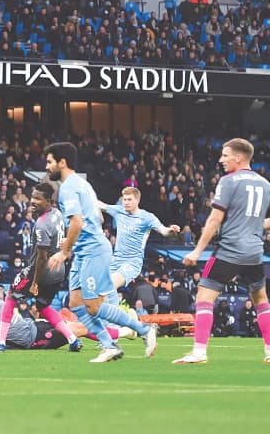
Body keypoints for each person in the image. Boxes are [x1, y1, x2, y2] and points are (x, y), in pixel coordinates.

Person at [45, 142, 157, 363]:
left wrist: (63, 251)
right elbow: (97, 217)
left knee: (94, 306)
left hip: (93, 251)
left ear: (62, 162)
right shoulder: (83, 184)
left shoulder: (68, 188)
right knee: (76, 304)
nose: (47, 166)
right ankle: (109, 346)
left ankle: (143, 329)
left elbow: (77, 221)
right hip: (84, 250)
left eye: (49, 161)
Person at [175, 138, 270, 364]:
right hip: (255, 253)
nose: (221, 160)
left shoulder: (229, 181)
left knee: (204, 296)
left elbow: (215, 219)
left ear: (239, 157)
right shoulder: (265, 184)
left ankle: (199, 352)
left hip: (229, 250)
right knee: (261, 300)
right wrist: (253, 226)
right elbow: (260, 221)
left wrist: (197, 251)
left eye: (225, 155)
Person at [0, 183, 83, 353]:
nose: (32, 201)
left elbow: (41, 258)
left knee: (11, 297)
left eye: (37, 199)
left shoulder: (42, 225)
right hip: (59, 271)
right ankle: (72, 339)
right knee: (43, 306)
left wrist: (35, 282)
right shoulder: (57, 213)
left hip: (40, 271)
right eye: (32, 197)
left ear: (49, 201)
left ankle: (0, 342)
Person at [0, 278, 119, 350]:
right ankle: (123, 333)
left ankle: (113, 337)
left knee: (77, 326)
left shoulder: (1, 303)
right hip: (34, 339)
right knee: (81, 328)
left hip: (36, 325)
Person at [98, 187, 180, 303]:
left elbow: (163, 231)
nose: (125, 202)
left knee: (108, 286)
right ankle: (113, 318)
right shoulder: (119, 211)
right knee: (100, 291)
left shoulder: (147, 217)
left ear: (137, 200)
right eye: (124, 199)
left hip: (132, 262)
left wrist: (171, 230)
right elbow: (100, 205)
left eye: (129, 200)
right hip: (115, 261)